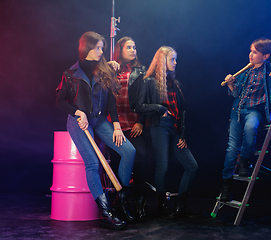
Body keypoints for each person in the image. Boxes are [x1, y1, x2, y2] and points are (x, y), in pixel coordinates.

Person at [56, 31, 136, 230]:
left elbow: (111, 101)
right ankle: (106, 213)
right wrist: (77, 112)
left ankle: (121, 200)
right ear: (87, 48)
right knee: (92, 163)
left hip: (100, 120)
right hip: (79, 122)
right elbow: (59, 102)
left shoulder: (105, 70)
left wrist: (116, 125)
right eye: (98, 47)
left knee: (129, 151)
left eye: (102, 47)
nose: (102, 51)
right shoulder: (70, 73)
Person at [220, 37, 271, 201]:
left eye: (255, 52)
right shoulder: (245, 73)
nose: (250, 55)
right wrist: (230, 85)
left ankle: (244, 161)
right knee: (230, 150)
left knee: (251, 128)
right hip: (237, 111)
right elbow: (235, 94)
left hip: (255, 111)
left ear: (265, 56)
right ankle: (226, 187)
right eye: (251, 51)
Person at [134, 46, 200, 218]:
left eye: (175, 59)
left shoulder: (174, 83)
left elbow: (183, 111)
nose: (175, 63)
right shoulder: (148, 81)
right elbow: (139, 106)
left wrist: (183, 134)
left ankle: (180, 205)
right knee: (162, 165)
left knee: (192, 165)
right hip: (159, 125)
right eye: (172, 59)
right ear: (162, 60)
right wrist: (160, 108)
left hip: (176, 127)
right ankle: (162, 206)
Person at [113, 36, 148, 222]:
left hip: (134, 124)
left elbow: (146, 98)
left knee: (141, 161)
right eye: (129, 47)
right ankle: (121, 203)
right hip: (115, 125)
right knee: (117, 164)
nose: (133, 50)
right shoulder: (111, 70)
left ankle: (140, 205)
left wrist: (141, 121)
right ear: (120, 49)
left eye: (135, 47)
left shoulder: (140, 71)